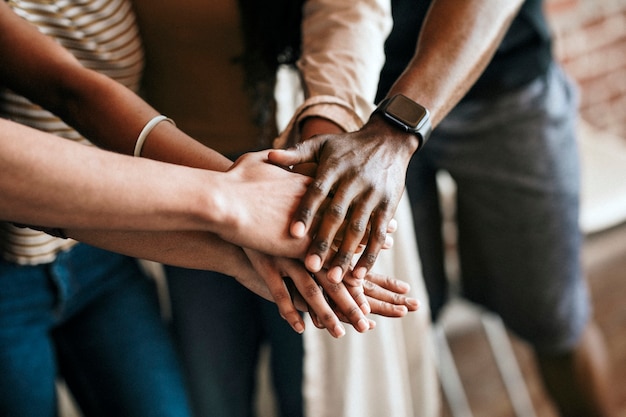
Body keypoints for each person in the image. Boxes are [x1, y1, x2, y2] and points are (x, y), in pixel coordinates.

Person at [0, 2, 419, 415]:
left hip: (103, 246)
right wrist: (228, 200)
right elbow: (27, 173)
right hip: (34, 257)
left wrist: (252, 213)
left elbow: (79, 91)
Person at [269, 0, 617, 415]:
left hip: (502, 84)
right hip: (358, 96)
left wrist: (397, 130)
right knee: (399, 319)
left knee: (554, 318)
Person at [131, 0, 438, 416]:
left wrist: (316, 171)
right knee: (211, 390)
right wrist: (232, 194)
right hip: (174, 183)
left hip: (304, 156)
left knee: (323, 386)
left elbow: (347, 13)